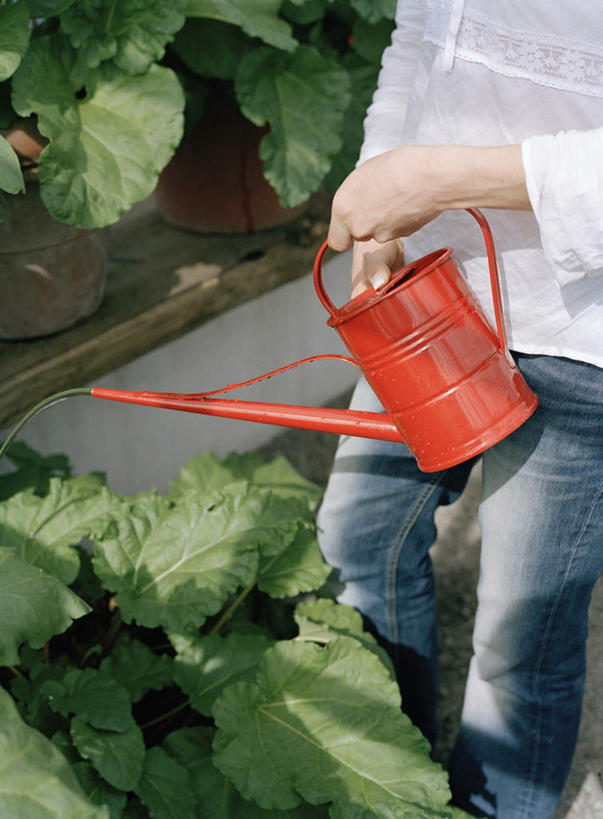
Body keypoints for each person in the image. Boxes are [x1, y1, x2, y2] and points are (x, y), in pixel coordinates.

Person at [317, 1, 603, 817]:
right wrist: (381, 192)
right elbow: (421, 32)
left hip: (577, 327)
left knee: (518, 641)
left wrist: (434, 178)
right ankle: (390, 788)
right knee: (360, 537)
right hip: (430, 292)